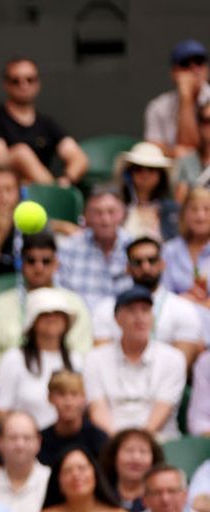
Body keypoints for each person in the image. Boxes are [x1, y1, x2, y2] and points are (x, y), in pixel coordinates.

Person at [0, 232, 93, 371]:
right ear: (22, 264)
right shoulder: (0, 304)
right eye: (31, 261)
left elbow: (82, 354)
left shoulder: (74, 303)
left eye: (46, 261)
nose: (39, 268)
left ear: (56, 264)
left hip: (63, 383)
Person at [83, 287, 186, 442]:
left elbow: (162, 410)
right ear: (117, 319)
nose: (139, 317)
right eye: (131, 311)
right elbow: (98, 410)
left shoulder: (174, 358)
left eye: (145, 310)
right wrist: (120, 445)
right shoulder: (94, 358)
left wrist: (135, 445)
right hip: (110, 442)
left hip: (159, 440)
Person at [0, 58, 88, 187]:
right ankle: (53, 195)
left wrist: (66, 180)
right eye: (16, 81)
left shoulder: (46, 123)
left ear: (38, 84)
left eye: (30, 80)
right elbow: (1, 162)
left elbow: (79, 158)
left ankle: (54, 193)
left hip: (37, 191)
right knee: (21, 153)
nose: (24, 85)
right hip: (1, 190)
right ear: (5, 85)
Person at [92, 234, 202, 367]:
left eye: (152, 260)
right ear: (127, 268)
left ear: (162, 264)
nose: (145, 267)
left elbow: (180, 366)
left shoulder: (183, 309)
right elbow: (102, 364)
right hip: (117, 384)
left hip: (166, 384)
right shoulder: (106, 308)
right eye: (138, 262)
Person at [0, 289, 81, 429]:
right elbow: (2, 409)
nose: (52, 318)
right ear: (32, 321)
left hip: (68, 442)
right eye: (45, 314)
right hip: (24, 443)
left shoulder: (76, 360)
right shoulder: (13, 358)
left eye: (58, 313)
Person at [56, 187, 133, 308]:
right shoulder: (69, 247)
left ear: (123, 214)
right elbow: (59, 291)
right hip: (80, 321)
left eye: (111, 212)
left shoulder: (135, 247)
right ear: (86, 216)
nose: (105, 220)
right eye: (97, 213)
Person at [143, 39, 210, 157]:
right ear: (174, 72)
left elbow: (192, 151)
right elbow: (153, 151)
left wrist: (186, 99)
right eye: (185, 64)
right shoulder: (158, 107)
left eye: (199, 62)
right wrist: (185, 98)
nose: (194, 69)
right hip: (173, 171)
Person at [160, 187, 210, 338]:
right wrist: (181, 300)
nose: (200, 216)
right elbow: (162, 294)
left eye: (207, 209)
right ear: (184, 214)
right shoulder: (169, 250)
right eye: (194, 209)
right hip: (177, 324)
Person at [38, 370, 110, 468]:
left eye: (74, 394)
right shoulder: (40, 441)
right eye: (61, 394)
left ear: (84, 397)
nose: (68, 402)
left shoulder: (99, 439)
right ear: (50, 397)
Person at [117, 142, 180, 241]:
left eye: (151, 169)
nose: (144, 174)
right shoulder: (117, 205)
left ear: (161, 175)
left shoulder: (172, 210)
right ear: (129, 173)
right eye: (138, 169)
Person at [100, 428, 165, 512]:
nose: (136, 458)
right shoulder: (101, 495)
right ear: (114, 456)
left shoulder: (162, 499)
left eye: (143, 452)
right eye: (129, 450)